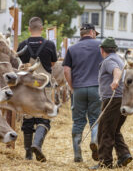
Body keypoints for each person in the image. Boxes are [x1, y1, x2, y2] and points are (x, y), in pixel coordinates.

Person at [17, 17, 57, 162]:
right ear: (41, 29)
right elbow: (53, 63)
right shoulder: (49, 44)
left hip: (27, 88)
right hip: (43, 86)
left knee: (27, 118)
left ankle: (28, 154)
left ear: (29, 29)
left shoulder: (22, 44)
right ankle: (37, 144)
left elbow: (19, 64)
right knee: (44, 118)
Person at [90, 37, 132, 170]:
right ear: (115, 49)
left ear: (102, 50)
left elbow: (116, 71)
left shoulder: (109, 60)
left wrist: (115, 81)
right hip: (122, 99)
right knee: (114, 130)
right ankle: (124, 155)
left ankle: (105, 162)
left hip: (112, 100)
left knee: (105, 130)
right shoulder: (119, 59)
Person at [63, 23, 103, 162]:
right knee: (95, 119)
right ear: (92, 32)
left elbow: (66, 70)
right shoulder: (100, 47)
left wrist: (72, 86)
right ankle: (94, 140)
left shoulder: (72, 48)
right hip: (96, 87)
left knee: (78, 121)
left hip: (79, 88)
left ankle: (77, 154)